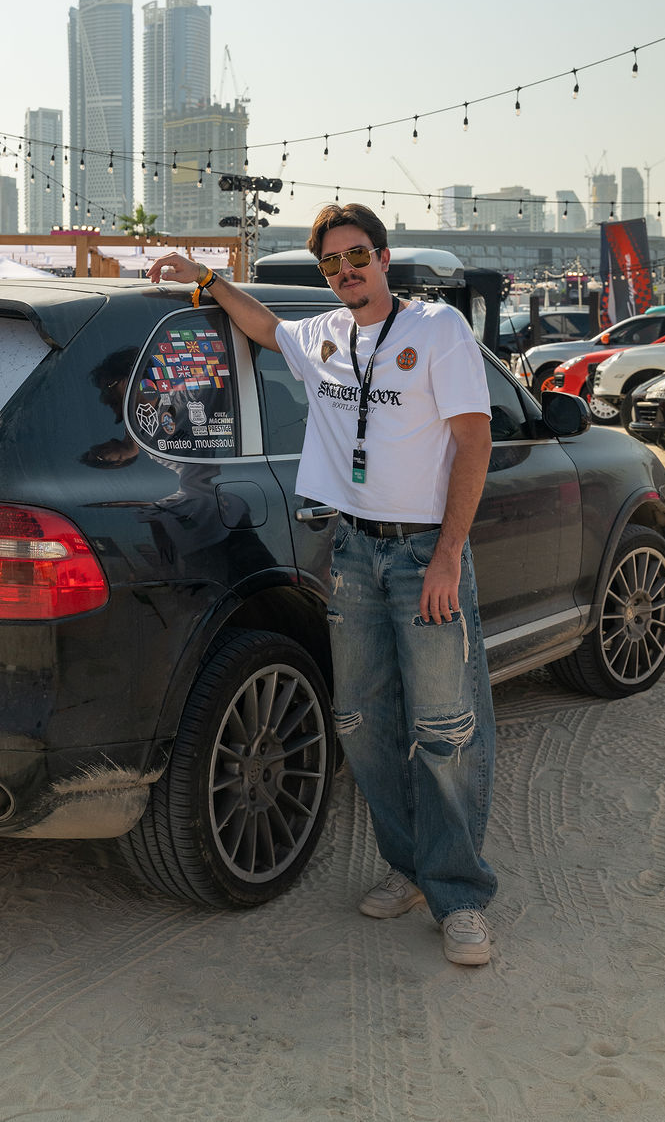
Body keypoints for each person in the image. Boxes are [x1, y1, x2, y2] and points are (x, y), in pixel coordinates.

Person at [148, 203, 497, 966]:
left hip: (424, 553)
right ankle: (409, 867)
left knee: (444, 728)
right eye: (332, 263)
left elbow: (475, 441)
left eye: (358, 256)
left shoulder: (437, 328)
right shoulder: (325, 335)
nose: (346, 271)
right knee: (362, 722)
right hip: (354, 553)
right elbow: (266, 327)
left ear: (384, 256)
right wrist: (208, 281)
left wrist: (448, 556)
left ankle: (460, 893)